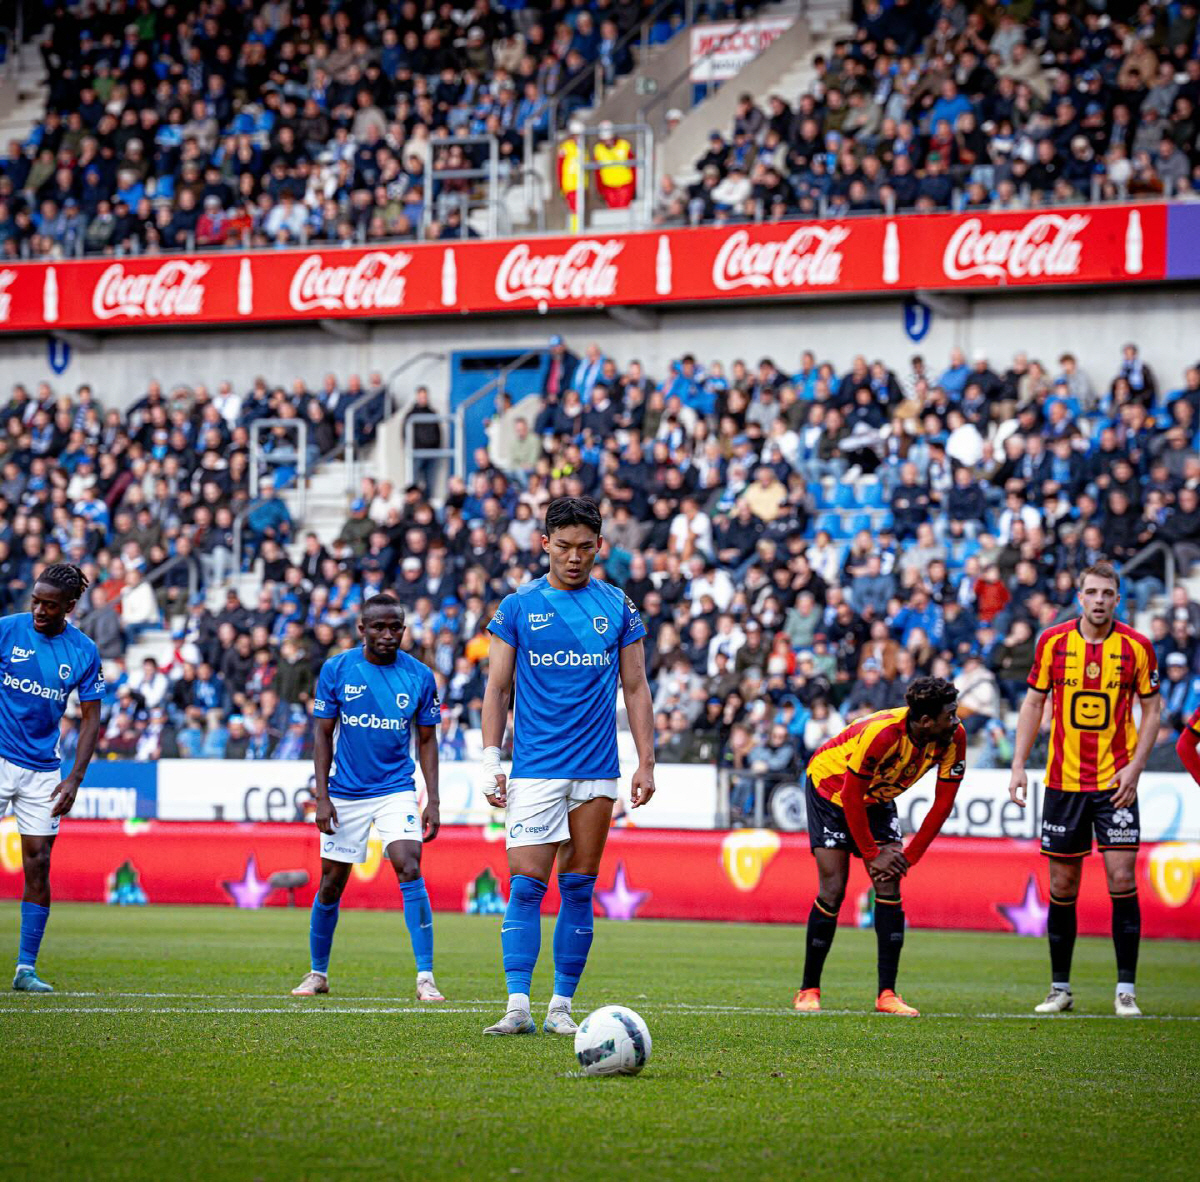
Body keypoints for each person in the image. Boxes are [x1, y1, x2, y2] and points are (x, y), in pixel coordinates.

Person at [480, 496, 655, 1035]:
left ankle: (560, 1007)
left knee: (578, 887)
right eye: (563, 547)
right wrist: (490, 759)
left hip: (597, 769)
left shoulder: (618, 606)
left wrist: (646, 761)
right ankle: (517, 1006)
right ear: (544, 545)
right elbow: (498, 688)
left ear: (599, 545)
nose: (574, 558)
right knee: (526, 885)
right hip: (536, 768)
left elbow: (636, 687)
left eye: (584, 547)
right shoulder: (518, 606)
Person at [1008, 561, 1161, 1018]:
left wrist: (1136, 768)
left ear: (1117, 599)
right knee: (1062, 883)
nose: (1099, 600)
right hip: (1063, 783)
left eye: (1107, 593)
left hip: (1116, 782)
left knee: (1121, 879)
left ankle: (1126, 990)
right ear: (1080, 598)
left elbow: (1152, 710)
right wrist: (1018, 765)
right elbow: (1033, 702)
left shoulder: (1137, 647)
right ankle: (1060, 988)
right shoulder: (1053, 642)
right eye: (1091, 592)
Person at [291, 593, 445, 1003]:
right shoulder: (337, 669)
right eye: (379, 627)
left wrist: (432, 799)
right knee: (331, 883)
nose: (388, 634)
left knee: (409, 865)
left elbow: (427, 740)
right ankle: (318, 972)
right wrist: (322, 797)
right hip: (346, 792)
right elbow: (322, 735)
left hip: (396, 788)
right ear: (362, 629)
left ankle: (425, 977)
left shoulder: (419, 676)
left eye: (395, 627)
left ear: (404, 629)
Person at [793, 678, 965, 1017]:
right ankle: (808, 989)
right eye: (950, 715)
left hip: (877, 797)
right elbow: (851, 796)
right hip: (831, 789)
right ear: (926, 721)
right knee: (833, 889)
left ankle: (887, 994)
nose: (957, 720)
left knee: (889, 881)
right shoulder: (883, 734)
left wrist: (908, 857)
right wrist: (872, 854)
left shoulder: (953, 737)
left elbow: (943, 804)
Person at [0, 564, 105, 992]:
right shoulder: (7, 630)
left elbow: (92, 717)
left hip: (44, 771)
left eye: (49, 605)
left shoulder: (83, 650)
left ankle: (26, 969)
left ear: (70, 607)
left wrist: (74, 778)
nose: (39, 611)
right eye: (36, 602)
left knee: (39, 862)